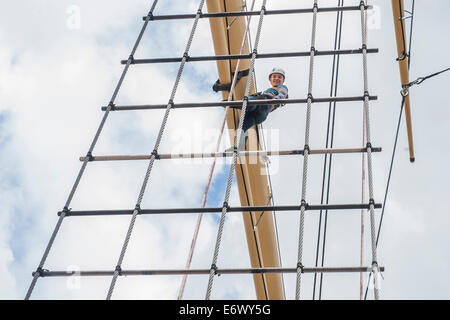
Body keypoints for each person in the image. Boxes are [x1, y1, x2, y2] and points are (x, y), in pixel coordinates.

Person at [236, 67, 289, 149]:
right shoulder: (266, 91)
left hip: (264, 104)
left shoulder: (282, 87)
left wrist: (276, 100)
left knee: (250, 103)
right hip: (260, 116)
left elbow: (283, 93)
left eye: (279, 77)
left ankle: (230, 103)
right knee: (243, 126)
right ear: (270, 79)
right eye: (274, 76)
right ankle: (239, 147)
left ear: (283, 80)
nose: (277, 78)